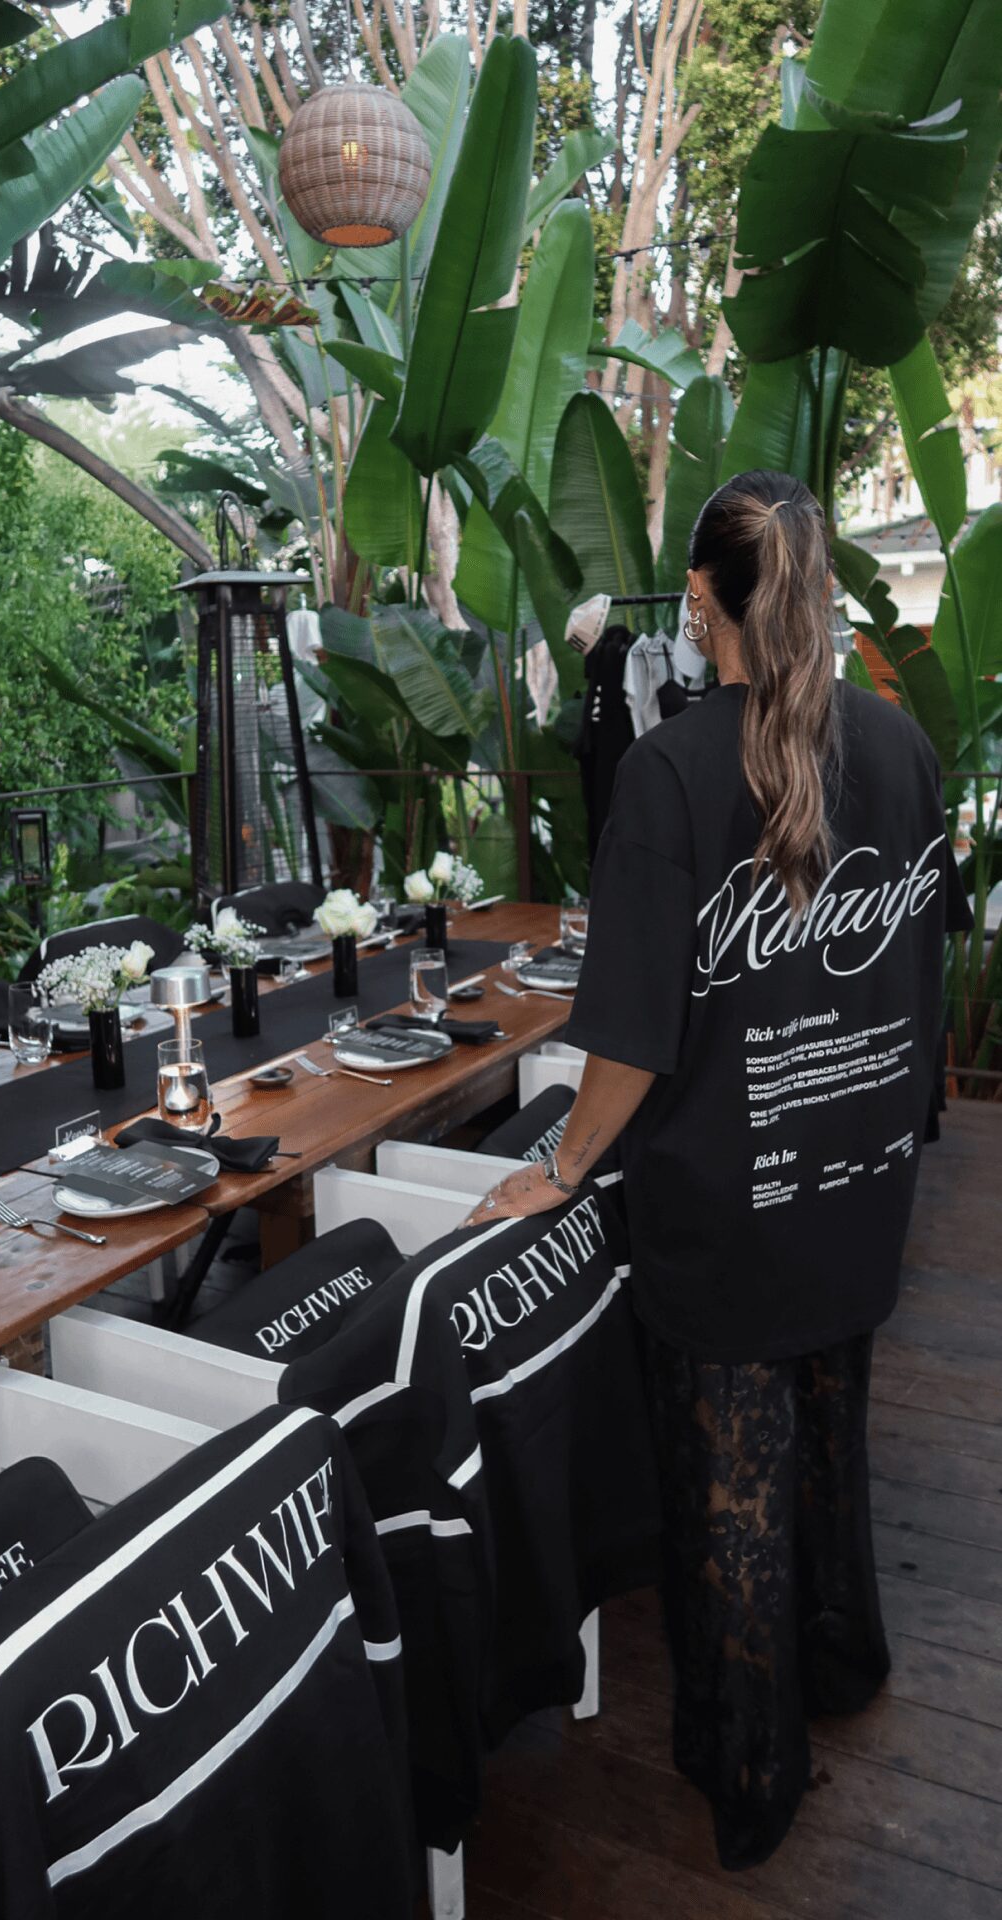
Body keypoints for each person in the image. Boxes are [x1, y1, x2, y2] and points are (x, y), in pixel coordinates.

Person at [467, 469, 972, 1869]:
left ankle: (751, 1771)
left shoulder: (675, 773)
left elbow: (628, 1033)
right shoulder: (900, 749)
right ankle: (843, 1658)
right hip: (857, 1178)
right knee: (829, 1437)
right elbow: (920, 971)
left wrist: (561, 1168)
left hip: (726, 1204)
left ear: (700, 604)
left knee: (730, 1488)